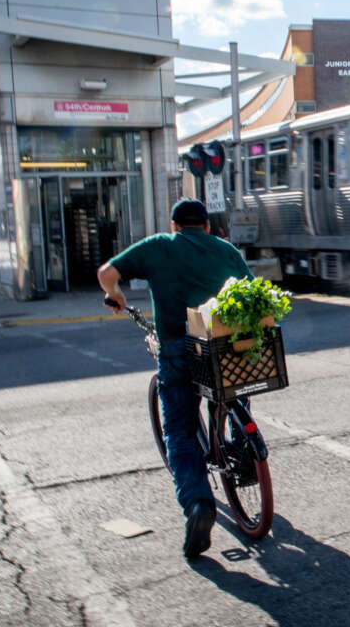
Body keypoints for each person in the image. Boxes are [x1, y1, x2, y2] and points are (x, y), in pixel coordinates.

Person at [97, 198, 251, 559]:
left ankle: (199, 505)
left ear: (174, 226)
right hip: (223, 346)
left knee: (179, 430)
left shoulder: (160, 246)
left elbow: (108, 273)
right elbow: (249, 294)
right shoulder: (227, 250)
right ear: (207, 227)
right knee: (233, 390)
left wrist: (115, 296)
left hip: (177, 349)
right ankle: (241, 449)